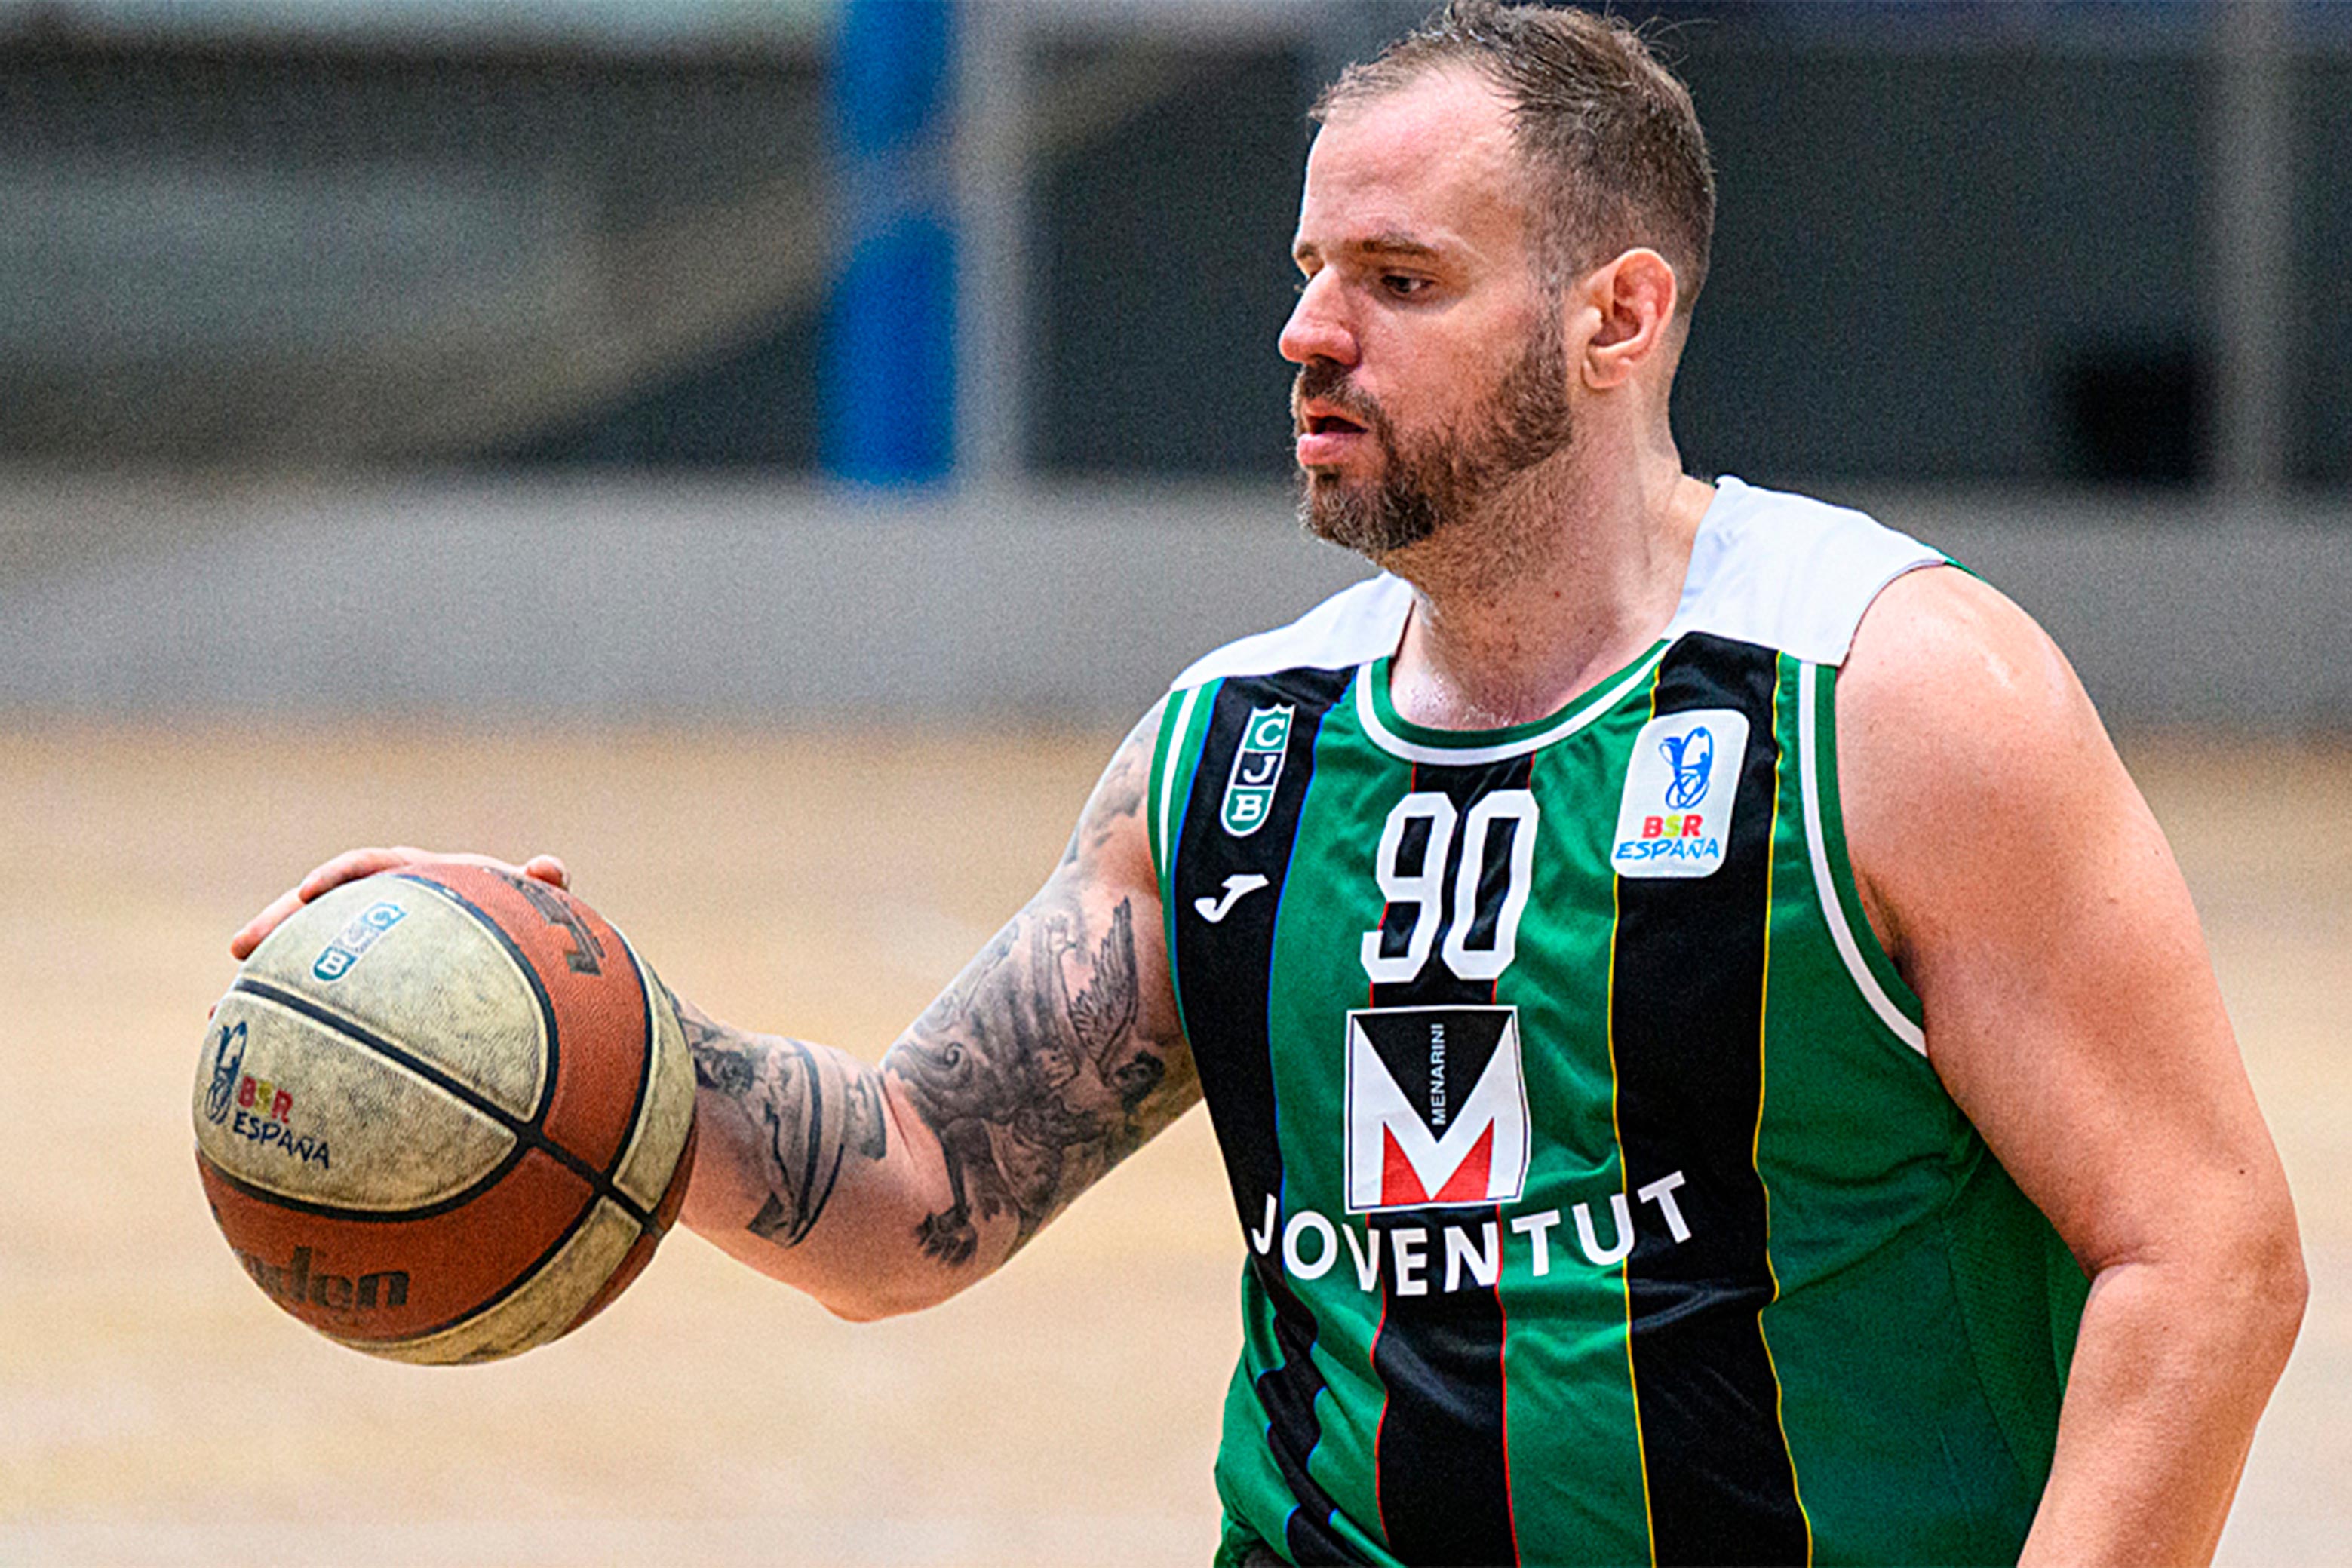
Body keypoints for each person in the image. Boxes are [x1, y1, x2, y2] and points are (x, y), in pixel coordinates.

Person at [232, 4, 2305, 1563]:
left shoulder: (1892, 699)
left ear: (1617, 318)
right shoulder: (1235, 756)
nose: (1312, 334)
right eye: (1309, 272)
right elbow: (917, 1190)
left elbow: (2206, 1261)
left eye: (1399, 282)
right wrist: (573, 1020)